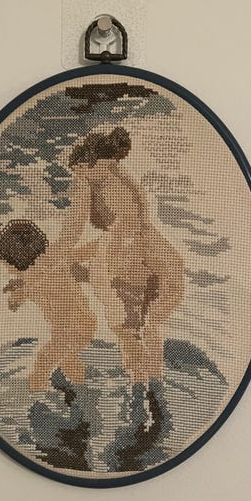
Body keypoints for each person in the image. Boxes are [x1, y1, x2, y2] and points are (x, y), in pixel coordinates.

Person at [65, 126, 184, 383]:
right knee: (141, 329)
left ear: (91, 163)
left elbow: (116, 244)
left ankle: (144, 386)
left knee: (134, 328)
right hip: (156, 267)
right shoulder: (118, 180)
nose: (79, 178)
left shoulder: (111, 188)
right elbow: (116, 241)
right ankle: (148, 386)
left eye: (80, 171)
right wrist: (77, 260)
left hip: (150, 268)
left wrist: (79, 265)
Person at [0, 219, 97, 391]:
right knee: (67, 359)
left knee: (44, 360)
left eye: (7, 265)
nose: (8, 270)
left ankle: (38, 391)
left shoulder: (33, 277)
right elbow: (75, 262)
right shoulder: (48, 264)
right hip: (82, 323)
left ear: (15, 260)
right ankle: (81, 387)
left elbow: (22, 294)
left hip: (72, 328)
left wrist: (15, 299)